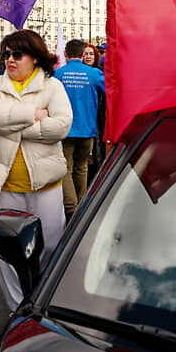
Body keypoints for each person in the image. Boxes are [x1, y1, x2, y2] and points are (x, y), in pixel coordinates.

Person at [0, 29, 72, 310]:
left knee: (50, 247)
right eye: (6, 54)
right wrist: (33, 115)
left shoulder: (52, 87)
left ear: (35, 57)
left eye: (17, 54)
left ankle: (42, 302)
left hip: (45, 187)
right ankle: (17, 310)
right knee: (7, 253)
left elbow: (61, 126)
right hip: (4, 186)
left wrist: (14, 128)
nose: (10, 59)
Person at [56, 39, 105, 222]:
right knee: (82, 167)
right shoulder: (94, 73)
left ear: (66, 54)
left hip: (65, 130)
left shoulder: (57, 74)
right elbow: (110, 92)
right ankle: (81, 205)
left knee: (66, 169)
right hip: (87, 129)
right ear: (83, 54)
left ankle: (71, 208)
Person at [83, 43, 107, 183]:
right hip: (85, 117)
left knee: (98, 151)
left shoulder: (99, 73)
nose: (88, 56)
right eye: (85, 54)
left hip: (98, 117)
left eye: (91, 54)